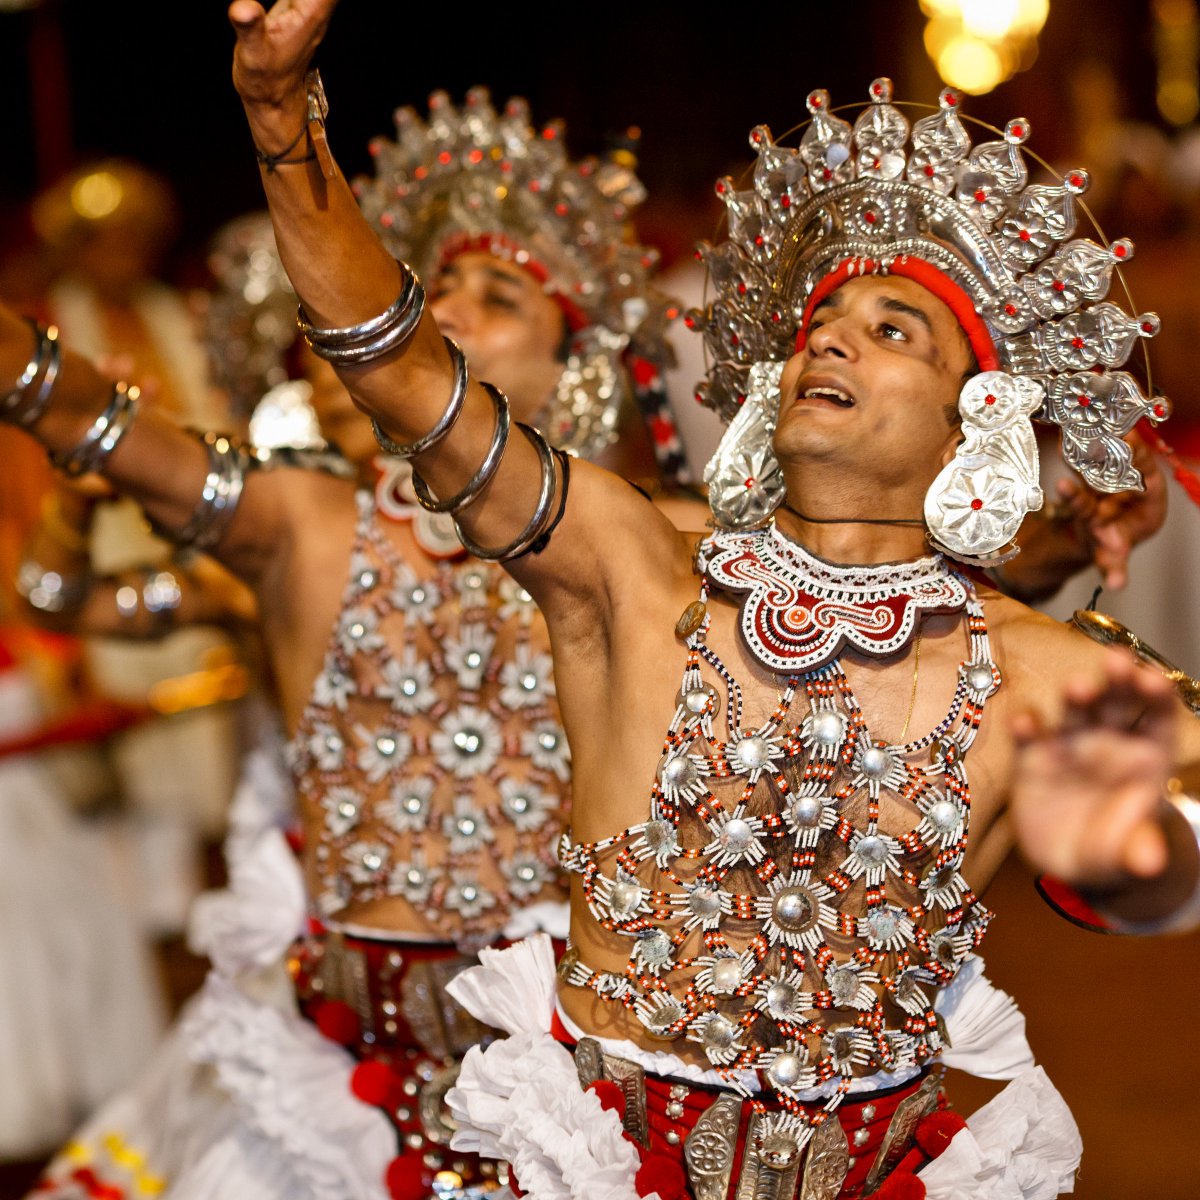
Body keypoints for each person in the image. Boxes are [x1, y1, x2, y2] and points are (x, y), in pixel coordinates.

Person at [216, 5, 1200, 1197]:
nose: (828, 344)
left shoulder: (1041, 669)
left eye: (891, 330)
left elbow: (1162, 876)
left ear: (982, 413)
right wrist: (282, 127)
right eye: (818, 324)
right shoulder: (629, 569)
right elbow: (399, 363)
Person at [12, 83, 688, 1200]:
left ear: (576, 355)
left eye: (500, 296)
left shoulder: (644, 548)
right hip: (335, 1076)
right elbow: (84, 457)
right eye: (440, 290)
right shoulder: (311, 523)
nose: (453, 312)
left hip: (568, 1091)